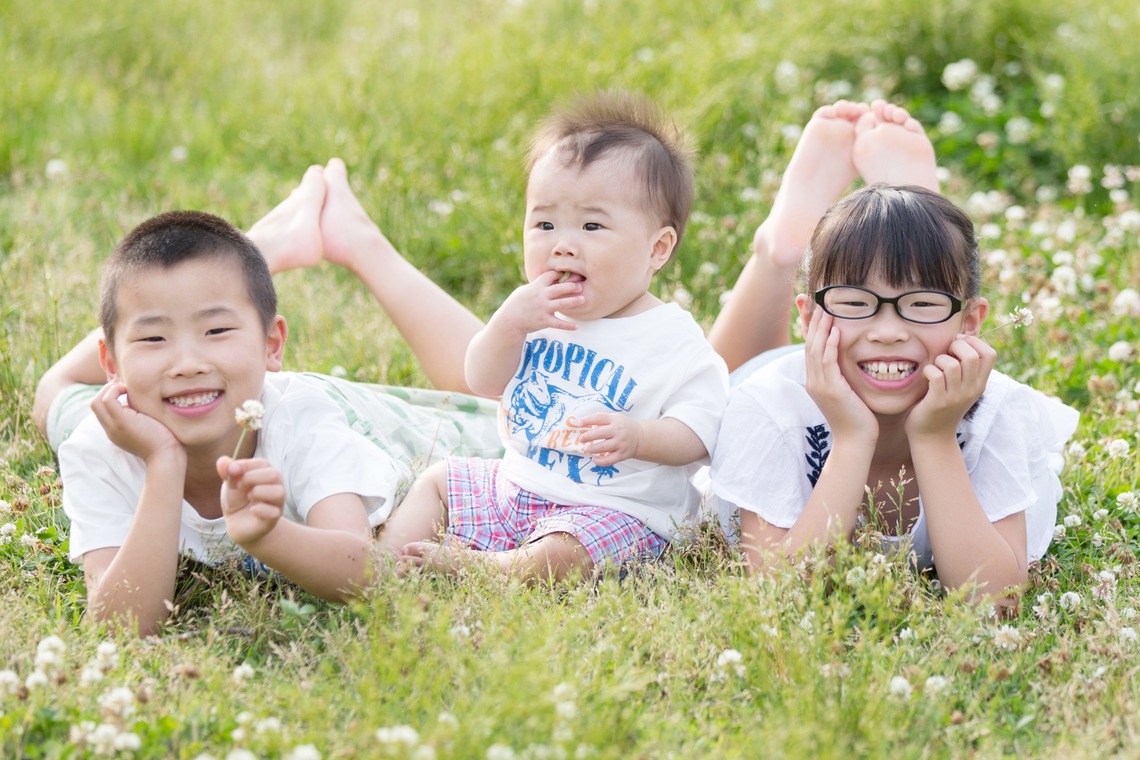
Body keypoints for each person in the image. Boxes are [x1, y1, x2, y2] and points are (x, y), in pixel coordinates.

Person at [32, 169, 504, 636]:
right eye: (153, 337)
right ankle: (260, 250)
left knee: (508, 398)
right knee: (53, 393)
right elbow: (122, 627)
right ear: (110, 365)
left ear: (272, 344)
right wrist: (162, 461)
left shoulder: (303, 422)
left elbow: (365, 573)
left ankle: (358, 242)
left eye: (216, 330)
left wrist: (268, 536)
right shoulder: (101, 440)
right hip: (171, 400)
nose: (187, 362)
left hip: (367, 422)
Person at [377, 92, 730, 581]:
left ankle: (495, 571)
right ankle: (380, 567)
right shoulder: (531, 313)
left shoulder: (673, 342)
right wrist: (508, 324)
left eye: (591, 224)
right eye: (544, 223)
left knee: (570, 551)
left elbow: (700, 433)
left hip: (612, 510)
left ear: (658, 248)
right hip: (514, 488)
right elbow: (481, 379)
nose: (562, 244)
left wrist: (640, 436)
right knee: (439, 481)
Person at [709, 165, 1080, 602]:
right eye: (853, 301)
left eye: (923, 302)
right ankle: (777, 249)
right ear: (808, 317)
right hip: (784, 374)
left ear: (970, 323)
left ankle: (904, 186)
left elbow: (995, 603)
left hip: (866, 363)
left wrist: (936, 436)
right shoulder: (767, 407)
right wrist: (850, 439)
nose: (888, 330)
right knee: (718, 373)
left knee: (918, 246)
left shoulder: (998, 410)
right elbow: (784, 596)